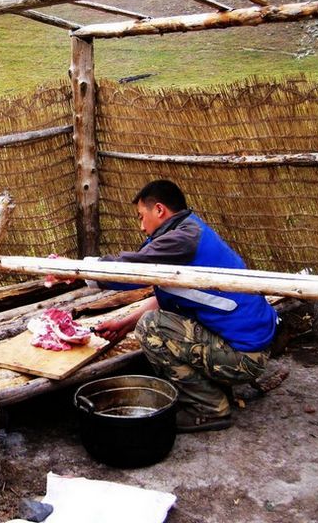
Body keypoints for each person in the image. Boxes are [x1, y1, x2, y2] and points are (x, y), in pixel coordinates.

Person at [90, 180, 277, 433]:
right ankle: (216, 386)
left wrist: (77, 271)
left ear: (159, 210)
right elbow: (173, 293)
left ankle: (210, 408)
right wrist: (124, 324)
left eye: (141, 216)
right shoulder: (191, 230)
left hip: (244, 358)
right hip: (251, 346)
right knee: (154, 320)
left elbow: (131, 271)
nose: (141, 226)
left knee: (151, 328)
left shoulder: (181, 239)